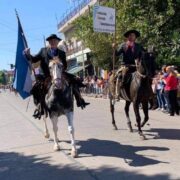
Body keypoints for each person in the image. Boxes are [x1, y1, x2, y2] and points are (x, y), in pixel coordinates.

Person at [24, 34, 89, 119]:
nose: (53, 42)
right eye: (51, 41)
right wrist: (28, 54)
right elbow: (34, 59)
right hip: (46, 76)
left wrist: (60, 64)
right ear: (49, 42)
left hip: (59, 73)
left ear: (57, 42)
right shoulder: (43, 51)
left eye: (54, 41)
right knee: (36, 88)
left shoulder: (61, 53)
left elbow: (65, 65)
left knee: (74, 81)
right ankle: (40, 107)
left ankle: (79, 100)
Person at [112, 29, 144, 98]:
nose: (132, 37)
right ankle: (117, 92)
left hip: (136, 66)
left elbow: (143, 53)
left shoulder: (138, 46)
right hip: (125, 66)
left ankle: (148, 93)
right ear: (128, 37)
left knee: (145, 75)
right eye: (130, 35)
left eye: (133, 35)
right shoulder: (123, 45)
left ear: (135, 37)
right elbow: (117, 54)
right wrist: (114, 48)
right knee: (120, 76)